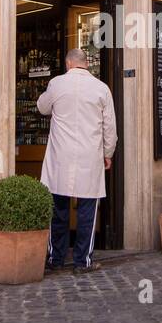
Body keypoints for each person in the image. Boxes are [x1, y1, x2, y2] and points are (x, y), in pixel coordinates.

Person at [37, 48, 117, 273]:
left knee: (58, 208)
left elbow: (42, 107)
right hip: (90, 155)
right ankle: (83, 261)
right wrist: (108, 154)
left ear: (68, 64)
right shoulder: (102, 88)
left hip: (60, 155)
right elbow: (109, 126)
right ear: (86, 65)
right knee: (87, 210)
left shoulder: (56, 83)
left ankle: (56, 258)